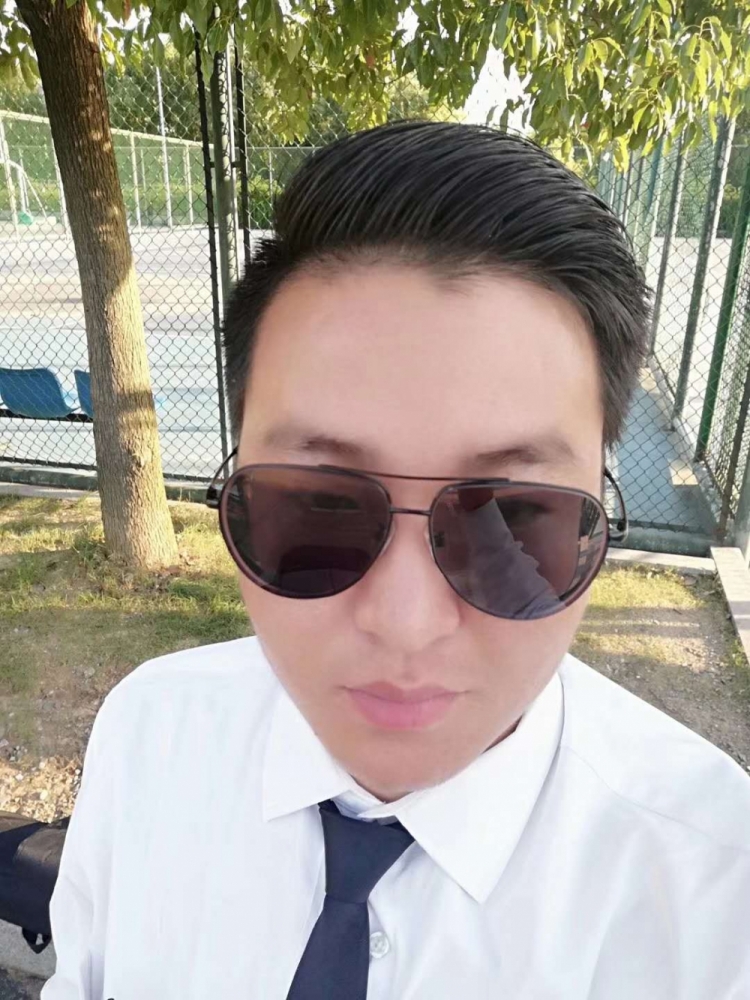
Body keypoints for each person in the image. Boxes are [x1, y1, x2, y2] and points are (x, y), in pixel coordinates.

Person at [42, 121, 750, 1000]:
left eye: (515, 517)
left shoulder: (718, 901)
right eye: (318, 506)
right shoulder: (150, 737)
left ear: (600, 524)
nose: (406, 623)